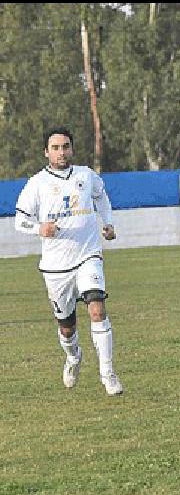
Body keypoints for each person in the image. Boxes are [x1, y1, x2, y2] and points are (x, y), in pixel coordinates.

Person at [14, 126, 123, 396]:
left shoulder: (87, 175)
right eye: (55, 147)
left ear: (72, 149)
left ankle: (108, 374)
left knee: (97, 309)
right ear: (46, 152)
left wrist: (107, 223)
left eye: (65, 146)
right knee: (66, 327)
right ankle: (73, 357)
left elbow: (102, 197)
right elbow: (20, 220)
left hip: (88, 255)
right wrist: (41, 228)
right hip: (56, 267)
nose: (61, 152)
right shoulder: (36, 183)